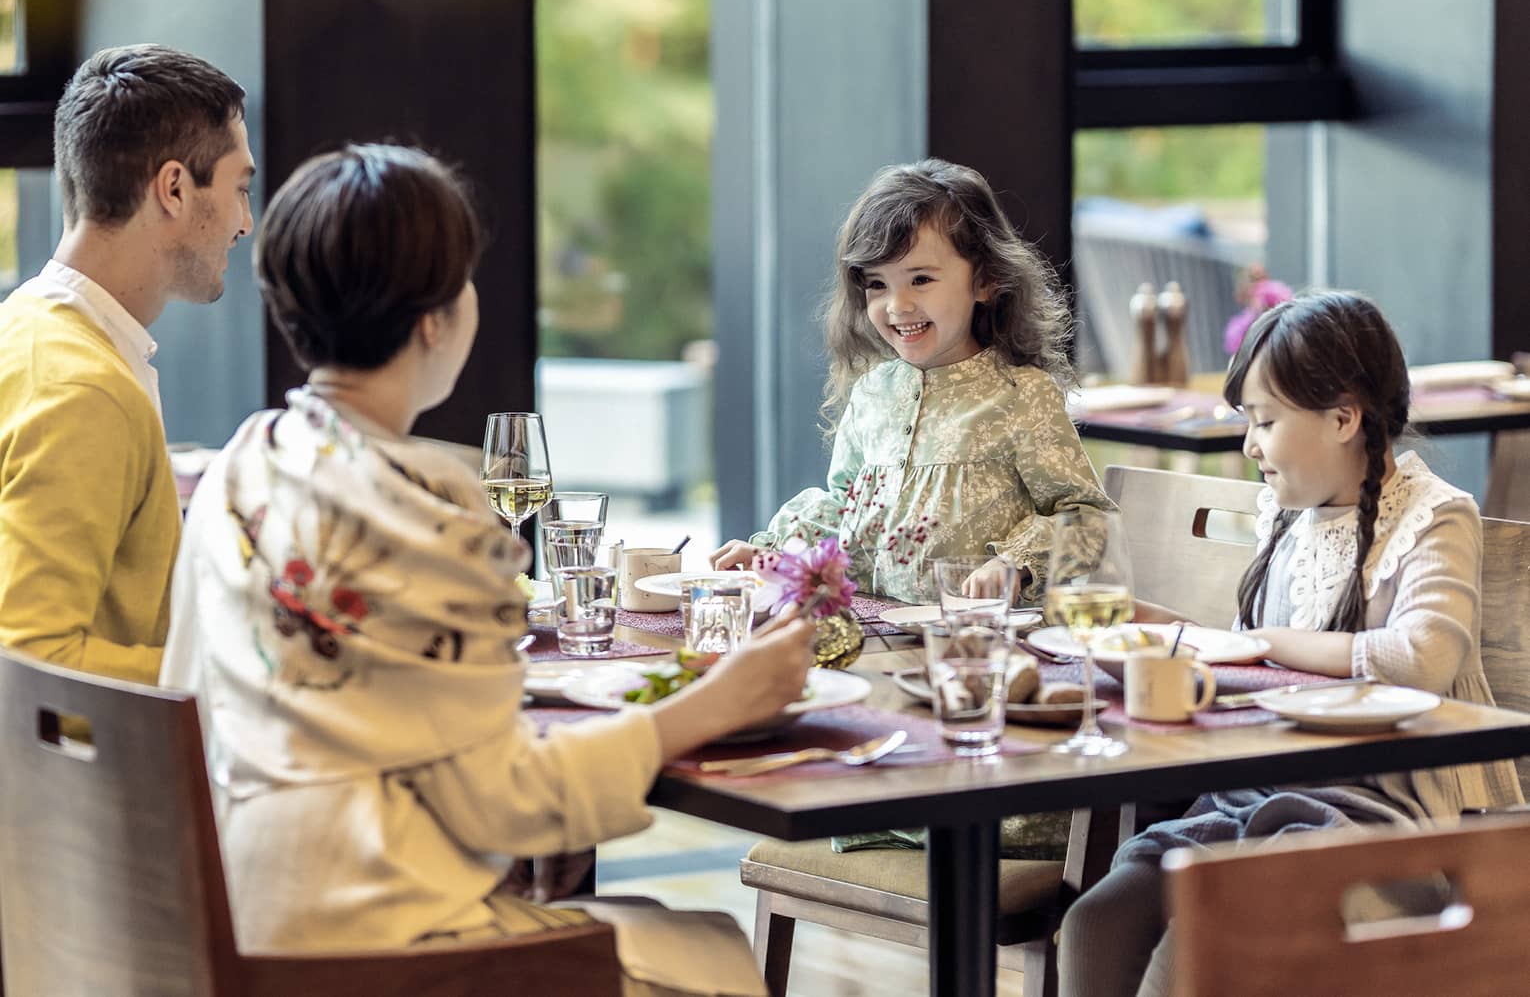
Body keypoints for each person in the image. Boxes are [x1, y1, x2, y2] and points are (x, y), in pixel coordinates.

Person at [161, 144, 811, 997]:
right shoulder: (424, 512)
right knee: (714, 953)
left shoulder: (243, 464)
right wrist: (718, 703)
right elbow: (506, 801)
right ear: (435, 321)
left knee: (660, 927)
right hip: (378, 945)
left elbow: (190, 690)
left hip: (234, 914)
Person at [1058, 290, 1524, 997]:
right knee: (1098, 920)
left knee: (1193, 947)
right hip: (1255, 799)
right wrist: (1156, 627)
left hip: (1379, 818)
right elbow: (1247, 659)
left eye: (1265, 421)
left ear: (1343, 418)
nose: (1249, 445)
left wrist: (1267, 642)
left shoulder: (1434, 516)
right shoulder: (1287, 514)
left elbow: (1421, 658)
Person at [711, 157, 1111, 604]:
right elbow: (844, 508)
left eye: (920, 279)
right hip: (878, 631)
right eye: (877, 284)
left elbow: (1089, 520)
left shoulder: (1021, 396)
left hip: (981, 635)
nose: (897, 305)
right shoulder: (872, 392)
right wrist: (774, 554)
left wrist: (1012, 563)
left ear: (986, 280)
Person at [0, 44, 253, 681]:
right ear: (174, 189)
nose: (246, 222)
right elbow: (31, 661)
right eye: (240, 189)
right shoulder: (83, 391)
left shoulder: (24, 328)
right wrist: (233, 680)